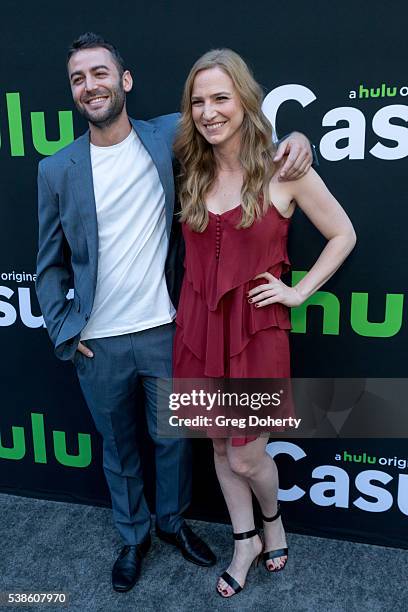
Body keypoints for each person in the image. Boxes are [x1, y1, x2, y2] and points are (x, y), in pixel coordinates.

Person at [35, 33, 313, 593]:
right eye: (78, 78)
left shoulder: (170, 137)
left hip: (169, 329)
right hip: (98, 339)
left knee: (176, 445)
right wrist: (65, 331)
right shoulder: (56, 168)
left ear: (124, 80)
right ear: (72, 91)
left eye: (100, 73)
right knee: (119, 448)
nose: (91, 85)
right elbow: (48, 263)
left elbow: (236, 129)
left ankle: (172, 524)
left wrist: (298, 137)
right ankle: (133, 537)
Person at [173, 48, 356, 598]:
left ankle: (272, 518)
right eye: (198, 101)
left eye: (221, 98)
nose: (209, 111)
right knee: (216, 446)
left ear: (245, 101)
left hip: (256, 335)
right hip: (198, 330)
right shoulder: (189, 164)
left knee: (248, 451)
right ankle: (244, 539)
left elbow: (343, 234)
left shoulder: (286, 167)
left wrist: (298, 292)